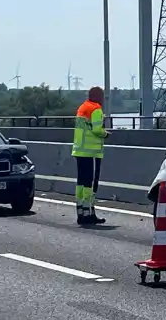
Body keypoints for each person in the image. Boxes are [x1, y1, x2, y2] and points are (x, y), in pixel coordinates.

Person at [72, 86, 109, 226]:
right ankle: (88, 213)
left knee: (81, 183)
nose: (103, 99)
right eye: (102, 96)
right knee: (89, 183)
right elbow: (97, 130)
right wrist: (106, 134)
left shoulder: (83, 108)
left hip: (79, 150)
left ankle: (81, 212)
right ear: (98, 96)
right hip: (90, 152)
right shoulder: (96, 109)